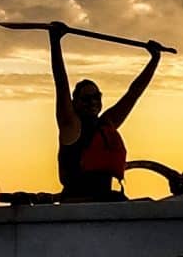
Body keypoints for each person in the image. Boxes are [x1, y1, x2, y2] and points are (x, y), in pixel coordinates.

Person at [48, 24, 164, 201]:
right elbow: (61, 85)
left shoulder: (106, 123)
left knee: (147, 202)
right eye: (87, 99)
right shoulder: (70, 126)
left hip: (105, 200)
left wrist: (155, 59)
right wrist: (55, 41)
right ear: (75, 103)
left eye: (97, 97)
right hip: (78, 203)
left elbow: (134, 93)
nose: (93, 102)